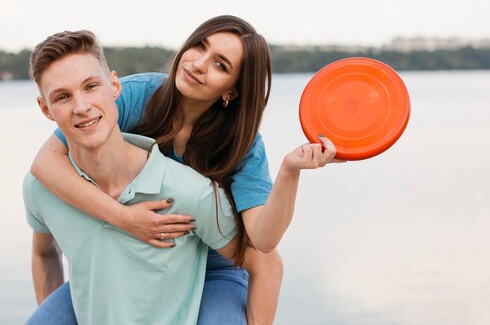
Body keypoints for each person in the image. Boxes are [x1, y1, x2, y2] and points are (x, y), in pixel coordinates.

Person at [29, 16, 338, 324]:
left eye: (220, 65)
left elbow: (264, 242)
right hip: (142, 253)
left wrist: (290, 170)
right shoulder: (139, 95)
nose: (199, 64)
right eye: (199, 46)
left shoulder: (240, 143)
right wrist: (124, 218)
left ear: (232, 91)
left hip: (217, 264)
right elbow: (46, 163)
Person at [25, 30, 243, 324]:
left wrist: (291, 173)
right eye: (62, 97)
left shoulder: (189, 191)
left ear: (115, 86)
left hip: (217, 263)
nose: (81, 107)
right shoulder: (41, 189)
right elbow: (43, 253)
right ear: (45, 109)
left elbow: (261, 260)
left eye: (91, 86)